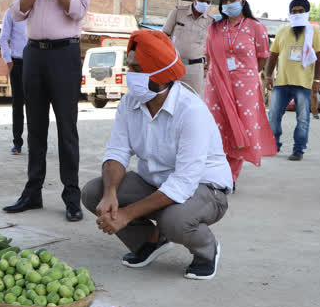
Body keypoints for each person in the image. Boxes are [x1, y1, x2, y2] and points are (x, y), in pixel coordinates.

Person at [81, 30, 232, 280]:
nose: (131, 75)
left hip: (205, 189)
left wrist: (127, 214)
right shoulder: (130, 102)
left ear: (159, 75)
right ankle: (151, 241)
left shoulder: (191, 111)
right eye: (129, 66)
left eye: (137, 68)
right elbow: (117, 152)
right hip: (156, 183)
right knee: (93, 193)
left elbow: (183, 183)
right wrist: (109, 194)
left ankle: (206, 251)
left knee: (174, 219)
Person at [3, 0, 93, 222]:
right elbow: (17, 12)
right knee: (36, 126)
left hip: (64, 54)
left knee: (67, 128)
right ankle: (33, 193)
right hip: (34, 56)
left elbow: (77, 10)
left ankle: (71, 196)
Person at [204, 0, 276, 184]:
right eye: (225, 1)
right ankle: (215, 171)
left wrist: (245, 72)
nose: (228, 3)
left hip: (245, 85)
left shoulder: (256, 27)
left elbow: (261, 58)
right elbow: (209, 56)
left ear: (242, 1)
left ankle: (231, 176)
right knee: (216, 127)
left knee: (240, 129)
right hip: (216, 83)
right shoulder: (215, 28)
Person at [264, 0, 320, 161]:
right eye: (294, 11)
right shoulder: (282, 31)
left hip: (303, 84)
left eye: (300, 11)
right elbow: (273, 55)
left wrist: (317, 80)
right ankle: (273, 145)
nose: (297, 14)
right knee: (273, 117)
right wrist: (268, 76)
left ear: (307, 13)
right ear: (289, 13)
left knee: (303, 119)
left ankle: (298, 150)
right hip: (281, 82)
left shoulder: (314, 31)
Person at [162, 0, 216, 96]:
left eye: (208, 2)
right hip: (173, 64)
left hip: (195, 69)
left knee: (193, 100)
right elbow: (164, 36)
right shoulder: (177, 12)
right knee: (170, 98)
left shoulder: (211, 20)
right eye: (201, 1)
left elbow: (211, 47)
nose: (204, 4)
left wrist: (207, 67)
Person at [0, 0, 28, 155]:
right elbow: (3, 38)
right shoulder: (11, 13)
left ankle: (36, 143)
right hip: (18, 63)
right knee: (18, 105)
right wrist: (8, 61)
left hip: (36, 63)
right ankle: (17, 143)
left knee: (37, 106)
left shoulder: (38, 12)